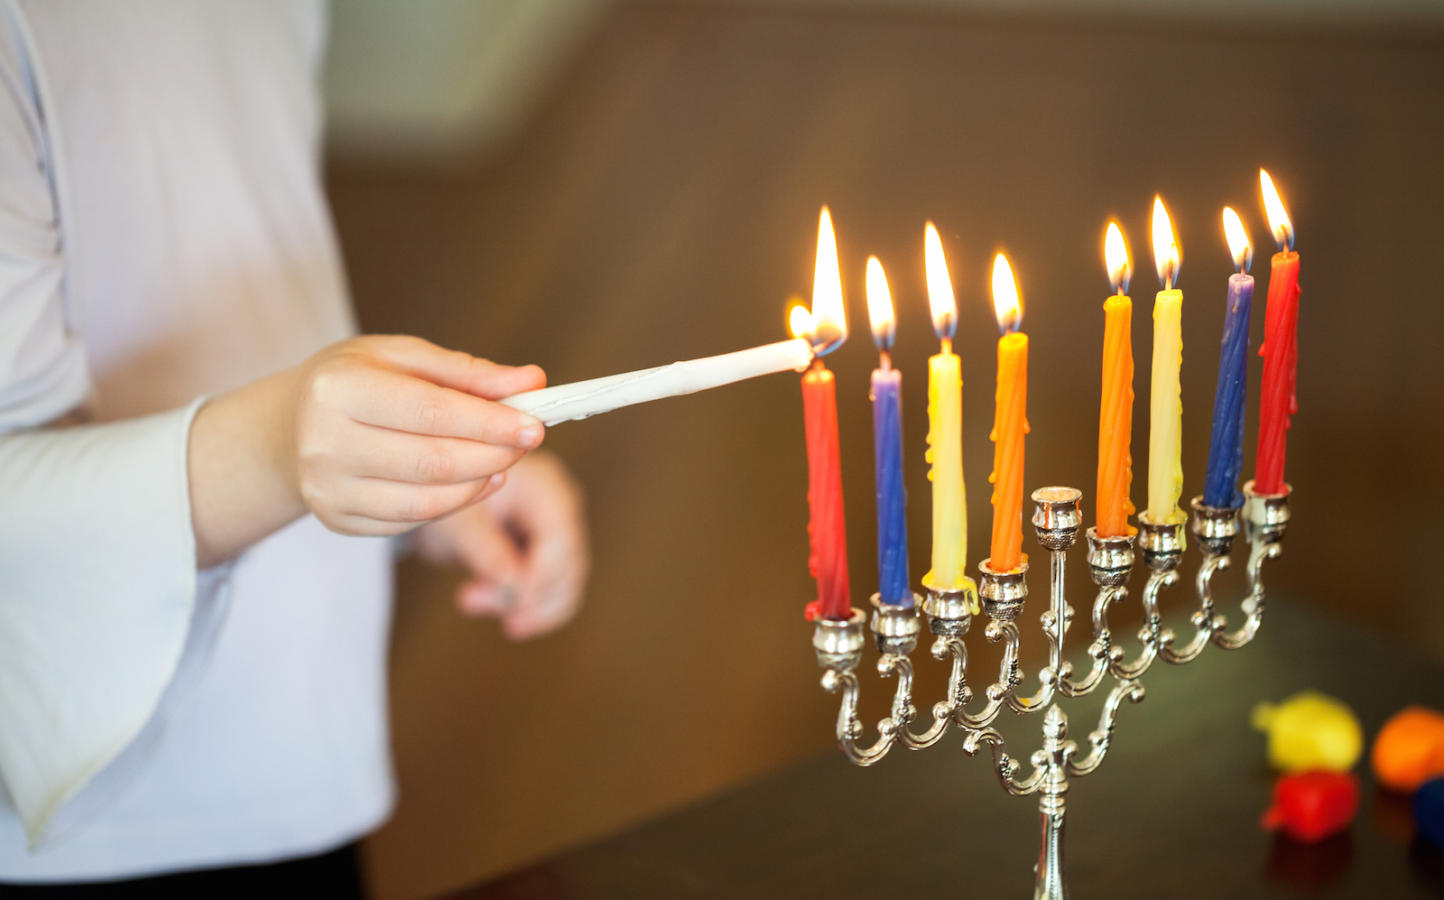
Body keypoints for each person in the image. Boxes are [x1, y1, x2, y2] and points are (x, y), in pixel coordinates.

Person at [0, 2, 589, 894]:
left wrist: (412, 473)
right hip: (112, 807)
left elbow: (231, 247)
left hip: (302, 738)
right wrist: (281, 450)